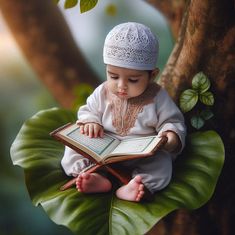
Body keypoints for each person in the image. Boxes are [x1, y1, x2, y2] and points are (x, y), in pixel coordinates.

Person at [61, 22, 186, 202]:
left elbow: (172, 121)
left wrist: (170, 136)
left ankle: (132, 186)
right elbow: (89, 110)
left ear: (152, 75)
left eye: (133, 80)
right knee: (72, 149)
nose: (121, 86)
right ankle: (97, 178)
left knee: (161, 164)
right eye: (113, 76)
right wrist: (91, 122)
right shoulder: (102, 91)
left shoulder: (158, 97)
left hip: (139, 155)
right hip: (102, 151)